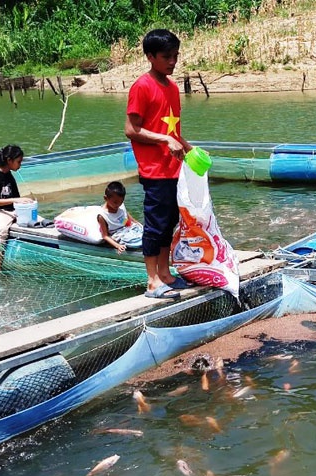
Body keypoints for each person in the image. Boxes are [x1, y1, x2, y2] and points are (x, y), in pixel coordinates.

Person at [124, 28, 193, 300]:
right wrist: (166, 140)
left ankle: (165, 273)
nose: (173, 62)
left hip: (174, 167)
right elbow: (131, 129)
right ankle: (152, 281)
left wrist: (187, 146)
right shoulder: (142, 86)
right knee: (155, 224)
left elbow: (171, 129)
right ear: (151, 57)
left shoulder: (173, 87)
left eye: (176, 56)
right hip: (155, 170)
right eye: (167, 57)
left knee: (169, 223)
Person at [0, 145, 30, 273]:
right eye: (18, 162)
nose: (20, 165)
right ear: (9, 160)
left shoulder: (9, 175)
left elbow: (16, 198)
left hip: (10, 210)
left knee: (35, 221)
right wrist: (15, 200)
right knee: (2, 229)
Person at [96, 181, 140, 254]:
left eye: (121, 202)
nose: (118, 205)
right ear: (106, 198)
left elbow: (126, 218)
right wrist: (117, 246)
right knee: (133, 241)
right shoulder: (102, 216)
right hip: (118, 234)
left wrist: (137, 223)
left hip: (126, 227)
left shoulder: (120, 205)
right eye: (115, 202)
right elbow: (105, 236)